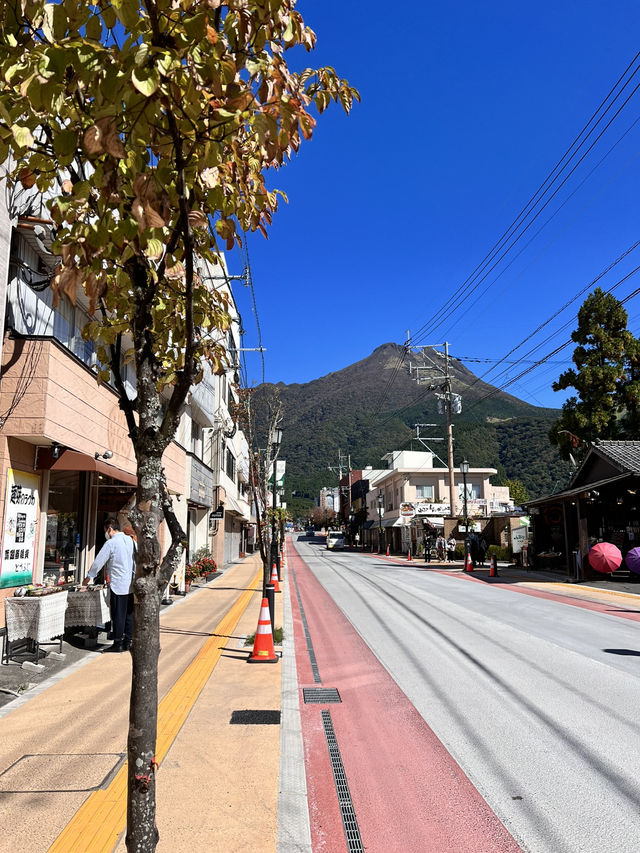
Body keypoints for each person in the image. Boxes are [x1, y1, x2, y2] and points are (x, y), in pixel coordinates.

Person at [83, 517, 135, 653]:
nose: (105, 533)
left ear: (110, 529)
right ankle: (127, 641)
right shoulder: (130, 540)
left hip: (118, 584)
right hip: (130, 583)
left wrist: (89, 577)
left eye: (106, 530)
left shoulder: (111, 543)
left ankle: (117, 643)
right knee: (128, 614)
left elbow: (99, 561)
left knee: (118, 614)